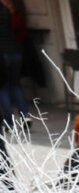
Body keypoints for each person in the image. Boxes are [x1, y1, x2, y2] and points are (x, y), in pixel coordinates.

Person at [0, 0, 30, 128]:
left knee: (3, 88)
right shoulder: (11, 10)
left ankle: (9, 122)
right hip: (16, 51)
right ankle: (25, 115)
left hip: (2, 54)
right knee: (15, 85)